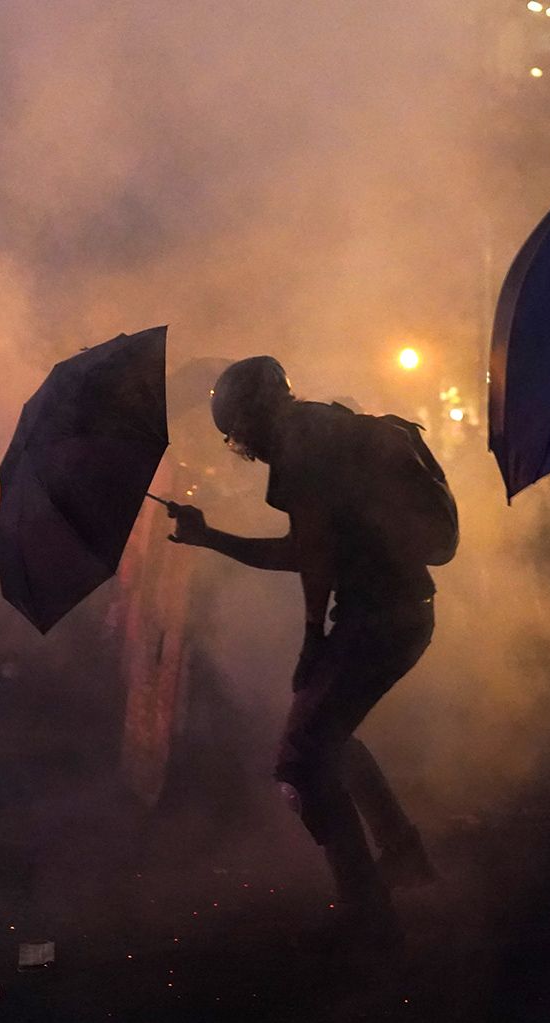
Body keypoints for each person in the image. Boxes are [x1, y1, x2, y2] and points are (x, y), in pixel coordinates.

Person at [164, 356, 443, 951]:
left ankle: (369, 917)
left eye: (237, 433)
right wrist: (208, 536)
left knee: (301, 763)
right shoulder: (327, 426)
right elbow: (304, 549)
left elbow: (310, 554)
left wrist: (313, 637)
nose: (242, 448)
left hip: (380, 619)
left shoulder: (300, 445)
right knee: (329, 738)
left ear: (250, 416)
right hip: (402, 611)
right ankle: (403, 857)